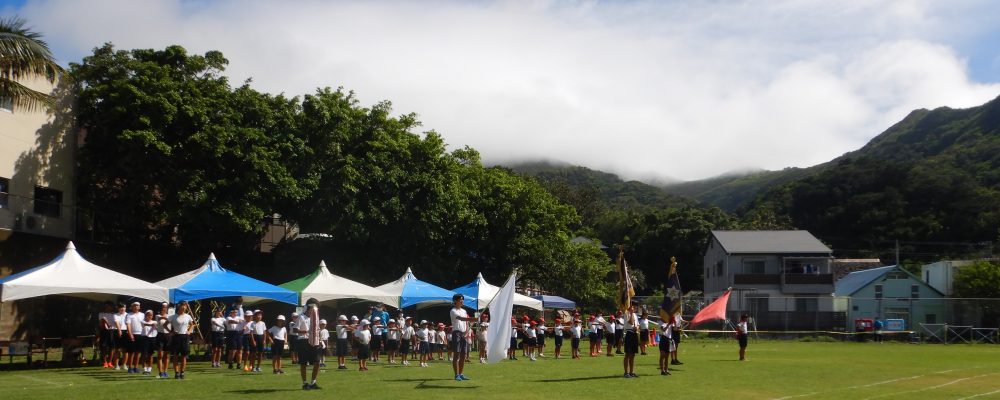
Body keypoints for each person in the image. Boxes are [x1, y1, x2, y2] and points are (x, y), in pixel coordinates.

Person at [296, 298, 323, 390]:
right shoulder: (301, 317)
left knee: (317, 361)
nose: (316, 310)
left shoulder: (315, 318)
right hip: (303, 341)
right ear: (310, 307)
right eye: (315, 307)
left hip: (314, 341)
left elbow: (317, 330)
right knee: (303, 363)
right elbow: (295, 329)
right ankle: (305, 383)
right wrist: (307, 331)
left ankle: (313, 382)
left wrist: (320, 340)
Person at [449, 293, 477, 381]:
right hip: (456, 333)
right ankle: (456, 375)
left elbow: (465, 322)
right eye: (460, 299)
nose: (462, 301)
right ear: (455, 301)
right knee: (456, 354)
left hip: (464, 334)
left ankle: (461, 374)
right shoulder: (453, 311)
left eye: (462, 299)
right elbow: (461, 319)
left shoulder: (464, 311)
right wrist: (472, 319)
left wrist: (466, 331)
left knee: (463, 355)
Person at [168, 300, 194, 379]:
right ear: (179, 306)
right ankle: (176, 372)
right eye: (182, 306)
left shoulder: (188, 316)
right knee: (175, 356)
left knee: (184, 356)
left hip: (184, 337)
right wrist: (171, 332)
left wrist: (189, 331)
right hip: (176, 337)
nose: (183, 307)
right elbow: (166, 324)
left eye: (185, 306)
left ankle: (182, 372)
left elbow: (192, 325)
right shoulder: (173, 316)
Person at [124, 301, 144, 374]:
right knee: (131, 352)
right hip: (132, 335)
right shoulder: (129, 315)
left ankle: (135, 367)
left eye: (137, 306)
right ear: (132, 307)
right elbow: (128, 325)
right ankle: (130, 367)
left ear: (139, 307)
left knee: (138, 352)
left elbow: (144, 324)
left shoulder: (142, 315)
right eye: (134, 306)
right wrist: (130, 334)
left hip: (140, 335)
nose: (136, 307)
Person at [622, 302, 640, 378]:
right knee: (628, 354)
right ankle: (626, 372)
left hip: (634, 334)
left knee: (633, 354)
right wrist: (631, 313)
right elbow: (630, 322)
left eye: (634, 307)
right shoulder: (626, 314)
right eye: (633, 306)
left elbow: (638, 324)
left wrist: (637, 328)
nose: (634, 308)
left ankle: (631, 372)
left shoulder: (635, 315)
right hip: (629, 333)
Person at [154, 303, 171, 379]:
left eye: (166, 307)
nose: (165, 308)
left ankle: (165, 371)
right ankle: (160, 372)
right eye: (163, 307)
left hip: (168, 336)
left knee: (167, 355)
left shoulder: (170, 316)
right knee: (160, 355)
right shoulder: (158, 316)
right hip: (160, 335)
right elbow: (161, 320)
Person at [98, 302, 116, 368]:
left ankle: (110, 362)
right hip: (104, 331)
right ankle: (105, 362)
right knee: (104, 347)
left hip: (112, 331)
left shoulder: (114, 314)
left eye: (110, 306)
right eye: (107, 306)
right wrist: (107, 323)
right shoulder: (101, 314)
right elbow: (101, 323)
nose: (109, 307)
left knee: (112, 347)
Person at [140, 310, 158, 375]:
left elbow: (156, 327)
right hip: (145, 338)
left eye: (151, 315)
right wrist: (152, 324)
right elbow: (145, 324)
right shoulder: (142, 321)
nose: (149, 316)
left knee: (150, 354)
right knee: (144, 354)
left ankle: (149, 369)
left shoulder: (155, 322)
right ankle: (144, 369)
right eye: (148, 315)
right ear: (145, 315)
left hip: (152, 338)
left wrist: (155, 325)